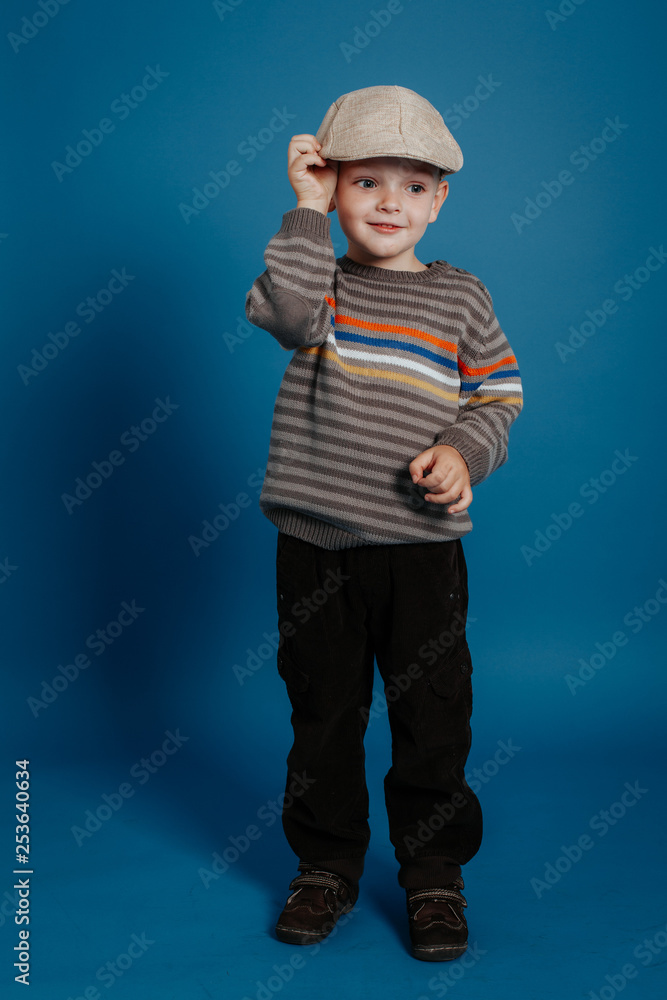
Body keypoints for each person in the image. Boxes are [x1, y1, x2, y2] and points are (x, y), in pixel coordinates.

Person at [244, 85, 523, 962]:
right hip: (315, 548)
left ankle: (434, 870)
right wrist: (302, 211)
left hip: (420, 557)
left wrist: (463, 454)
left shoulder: (461, 298)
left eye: (411, 186)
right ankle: (325, 864)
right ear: (335, 188)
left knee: (432, 716)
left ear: (440, 200)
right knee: (323, 713)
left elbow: (497, 395)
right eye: (366, 183)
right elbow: (285, 319)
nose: (389, 203)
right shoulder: (314, 277)